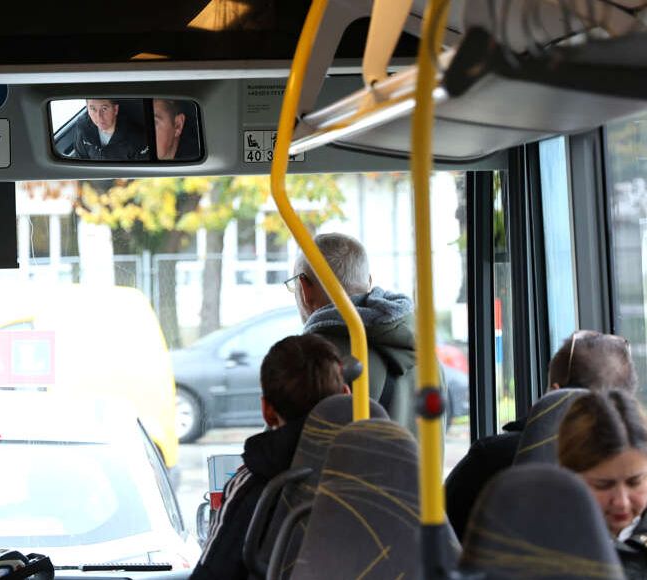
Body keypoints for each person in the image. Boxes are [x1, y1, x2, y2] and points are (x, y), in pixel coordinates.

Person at [445, 330, 637, 540]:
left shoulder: (491, 460)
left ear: (555, 394)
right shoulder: (637, 467)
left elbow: (445, 541)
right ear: (628, 398)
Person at [190, 334, 349, 580]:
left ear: (267, 411)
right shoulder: (386, 469)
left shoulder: (253, 484)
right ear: (347, 394)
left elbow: (214, 571)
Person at [290, 232, 421, 426]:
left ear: (304, 289)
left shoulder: (310, 363)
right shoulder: (424, 354)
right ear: (368, 282)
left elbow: (281, 451)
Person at [558, 389, 647, 578]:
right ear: (570, 478)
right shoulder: (538, 542)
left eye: (634, 482)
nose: (622, 502)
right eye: (603, 485)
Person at [73, 98, 147, 160]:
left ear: (115, 109)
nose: (99, 116)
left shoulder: (135, 138)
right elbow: (80, 160)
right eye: (93, 109)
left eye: (104, 109)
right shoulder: (82, 126)